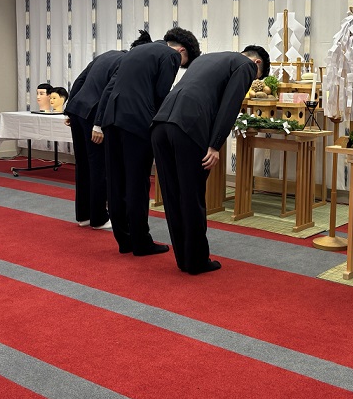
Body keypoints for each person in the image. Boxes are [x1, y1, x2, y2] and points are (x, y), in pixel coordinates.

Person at [150, 45, 270, 275]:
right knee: (192, 195)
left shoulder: (207, 58)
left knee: (173, 196)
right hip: (187, 127)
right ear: (256, 65)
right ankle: (196, 261)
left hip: (160, 125)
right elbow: (230, 106)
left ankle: (183, 259)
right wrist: (215, 144)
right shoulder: (245, 65)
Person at [95, 27, 201, 256]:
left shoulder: (136, 51)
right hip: (137, 122)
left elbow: (111, 87)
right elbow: (161, 94)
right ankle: (141, 242)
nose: (179, 65)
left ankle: (124, 240)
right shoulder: (170, 55)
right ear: (182, 50)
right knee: (137, 182)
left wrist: (99, 121)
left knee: (116, 181)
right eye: (183, 62)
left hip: (112, 119)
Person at [64, 30, 152, 230]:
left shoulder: (107, 55)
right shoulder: (128, 62)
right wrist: (99, 123)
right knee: (99, 167)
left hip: (78, 110)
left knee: (83, 165)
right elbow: (109, 92)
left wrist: (70, 110)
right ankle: (98, 218)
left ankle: (84, 215)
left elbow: (79, 80)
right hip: (93, 116)